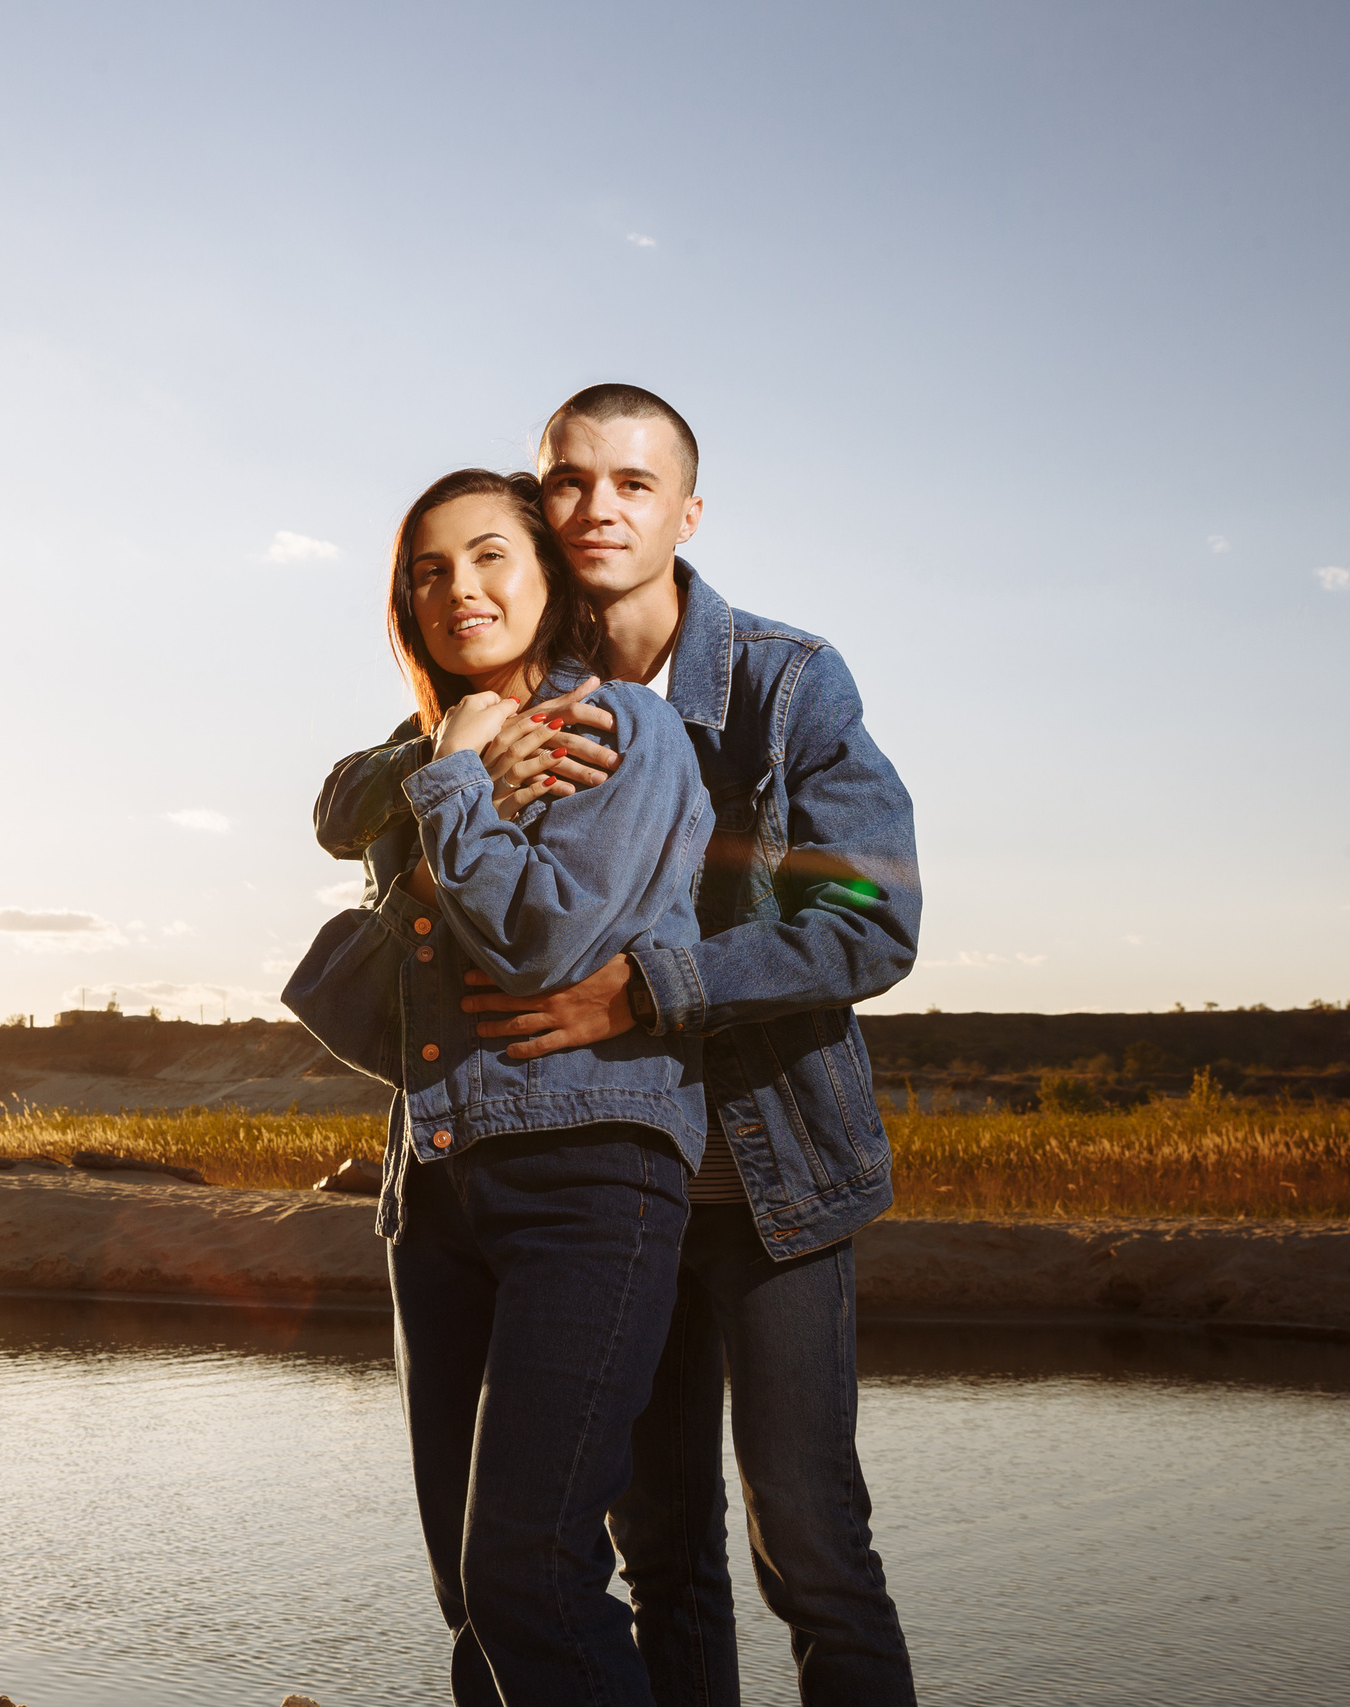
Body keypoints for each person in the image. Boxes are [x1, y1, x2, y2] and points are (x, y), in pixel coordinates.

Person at [313, 386, 922, 1707]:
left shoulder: (781, 683)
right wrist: (454, 759)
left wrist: (650, 989)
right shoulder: (515, 665)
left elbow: (874, 916)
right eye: (572, 481)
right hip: (588, 1162)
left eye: (633, 484)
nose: (598, 508)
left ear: (686, 513)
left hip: (762, 1171)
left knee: (810, 1543)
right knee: (658, 1550)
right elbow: (350, 794)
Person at [283, 467, 710, 1707]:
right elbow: (336, 809)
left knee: (530, 1571)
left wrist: (454, 789)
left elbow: (538, 940)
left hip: (587, 1176)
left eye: (487, 558)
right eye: (427, 570)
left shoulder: (618, 732)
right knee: (472, 1596)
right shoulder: (429, 750)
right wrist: (449, 761)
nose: (456, 588)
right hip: (434, 1184)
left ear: (548, 580)